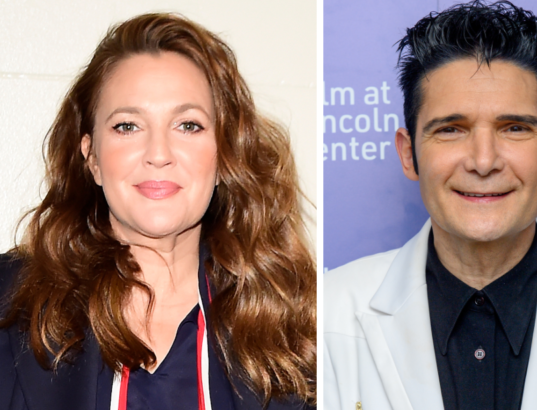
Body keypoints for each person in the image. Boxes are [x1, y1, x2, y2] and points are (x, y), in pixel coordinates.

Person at [324, 1, 537, 409]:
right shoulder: (330, 312)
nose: (484, 161)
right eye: (451, 130)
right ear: (408, 154)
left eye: (515, 128)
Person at [0, 13, 316, 410]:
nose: (159, 155)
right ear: (92, 157)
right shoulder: (9, 303)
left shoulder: (298, 328)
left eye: (188, 125)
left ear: (225, 155)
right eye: (128, 126)